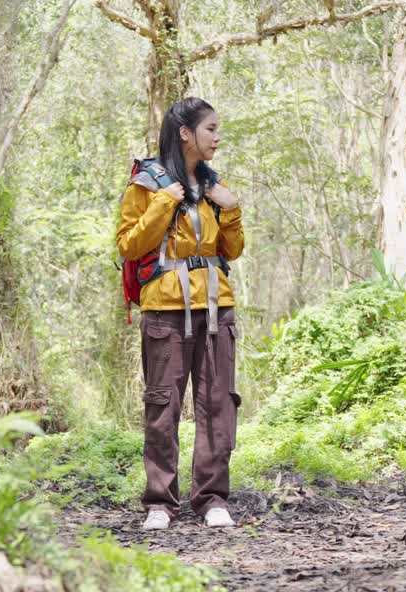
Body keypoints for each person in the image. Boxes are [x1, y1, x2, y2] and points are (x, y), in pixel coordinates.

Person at [116, 97, 245, 531]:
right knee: (163, 406)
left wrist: (230, 208)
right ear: (186, 133)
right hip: (164, 311)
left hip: (216, 307)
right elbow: (129, 245)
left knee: (217, 405)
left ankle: (211, 499)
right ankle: (159, 502)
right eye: (211, 128)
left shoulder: (213, 185)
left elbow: (233, 250)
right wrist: (162, 204)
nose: (217, 137)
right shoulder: (147, 182)